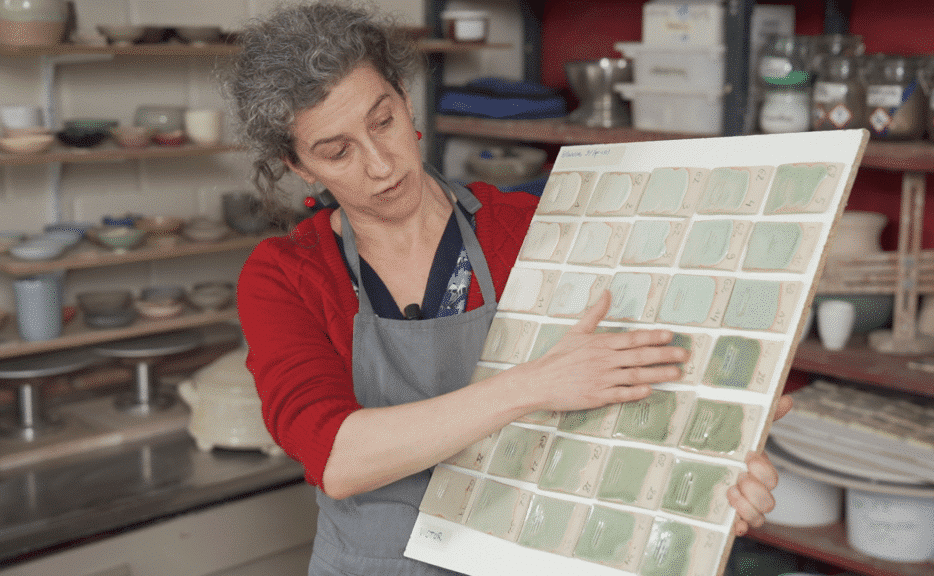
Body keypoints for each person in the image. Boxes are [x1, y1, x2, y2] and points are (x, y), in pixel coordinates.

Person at [225, 2, 792, 575]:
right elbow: (337, 456)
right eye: (338, 151)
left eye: (383, 121)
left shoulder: (524, 228)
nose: (380, 165)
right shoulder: (286, 275)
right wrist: (533, 386)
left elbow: (621, 388)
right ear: (298, 167)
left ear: (403, 94)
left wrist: (717, 476)